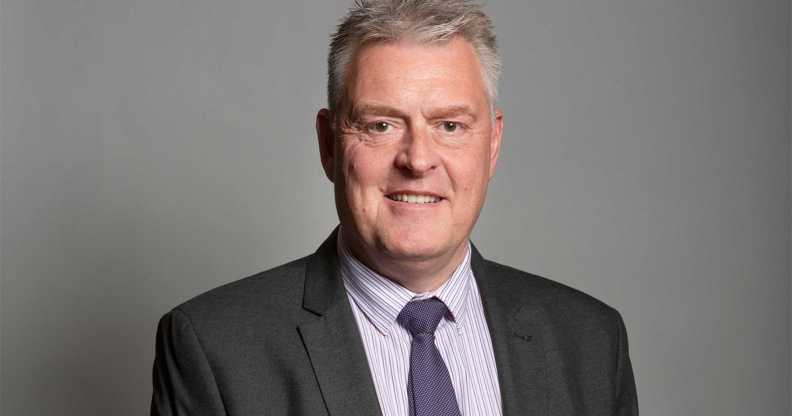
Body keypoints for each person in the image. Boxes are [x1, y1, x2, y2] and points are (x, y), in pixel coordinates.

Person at [150, 1, 639, 415]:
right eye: (381, 125)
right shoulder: (215, 349)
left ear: (492, 145)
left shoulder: (591, 343)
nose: (418, 160)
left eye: (450, 126)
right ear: (328, 145)